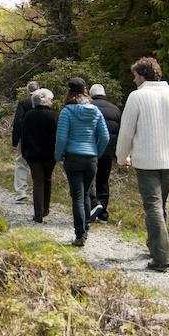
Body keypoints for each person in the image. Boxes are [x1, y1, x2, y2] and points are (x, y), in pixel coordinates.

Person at [116, 57, 169, 273]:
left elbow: (126, 131)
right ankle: (155, 246)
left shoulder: (137, 97)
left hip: (146, 161)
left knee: (152, 206)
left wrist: (122, 157)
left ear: (142, 75)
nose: (133, 80)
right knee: (160, 205)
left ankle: (161, 257)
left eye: (134, 76)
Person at [53, 78, 109, 247]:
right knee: (85, 194)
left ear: (69, 92)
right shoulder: (95, 111)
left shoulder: (67, 112)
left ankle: (80, 234)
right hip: (91, 157)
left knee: (77, 195)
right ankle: (85, 228)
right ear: (85, 91)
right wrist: (96, 153)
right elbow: (105, 136)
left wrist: (57, 156)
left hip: (73, 156)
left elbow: (61, 137)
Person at [20, 88, 57, 223]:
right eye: (50, 99)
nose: (51, 102)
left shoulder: (28, 115)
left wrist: (25, 152)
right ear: (45, 100)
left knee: (37, 182)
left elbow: (24, 136)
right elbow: (55, 136)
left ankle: (38, 213)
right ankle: (45, 208)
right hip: (49, 155)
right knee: (47, 180)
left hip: (32, 155)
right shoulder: (52, 116)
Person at [89, 84, 122, 223]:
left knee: (87, 180)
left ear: (91, 94)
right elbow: (120, 132)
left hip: (90, 150)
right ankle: (103, 212)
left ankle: (93, 205)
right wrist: (117, 153)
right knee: (103, 180)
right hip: (108, 151)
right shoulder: (115, 109)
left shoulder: (88, 107)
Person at [11, 80, 40, 203]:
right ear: (38, 89)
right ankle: (38, 191)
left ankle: (21, 192)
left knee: (21, 163)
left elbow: (17, 122)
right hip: (40, 138)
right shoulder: (45, 102)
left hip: (25, 138)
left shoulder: (23, 103)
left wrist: (15, 140)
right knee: (37, 164)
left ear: (28, 90)